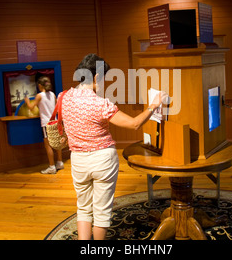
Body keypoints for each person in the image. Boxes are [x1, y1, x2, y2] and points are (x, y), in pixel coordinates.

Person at [61, 53, 168, 240]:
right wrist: (153, 106)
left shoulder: (64, 98)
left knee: (83, 207)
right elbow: (134, 123)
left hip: (78, 160)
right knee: (101, 211)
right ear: (95, 77)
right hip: (102, 160)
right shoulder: (100, 104)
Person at [25, 76, 64, 174]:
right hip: (55, 121)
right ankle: (59, 162)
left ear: (39, 85)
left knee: (48, 146)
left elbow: (31, 107)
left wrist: (27, 101)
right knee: (57, 142)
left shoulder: (39, 96)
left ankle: (51, 167)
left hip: (46, 123)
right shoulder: (52, 94)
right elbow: (56, 107)